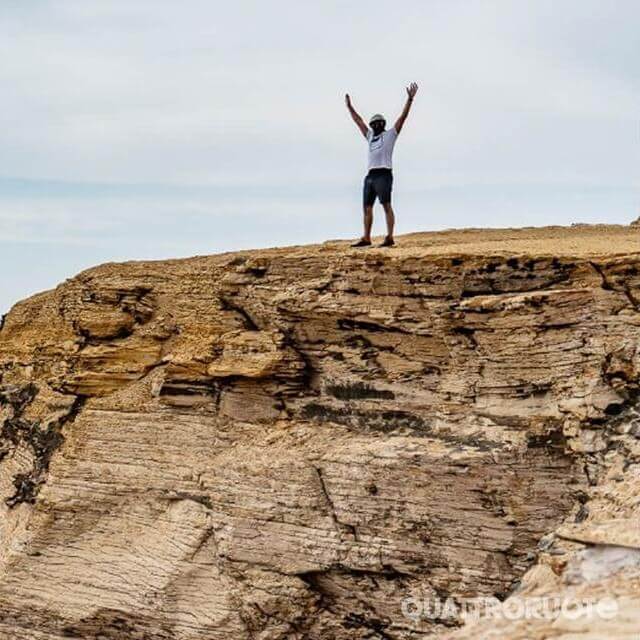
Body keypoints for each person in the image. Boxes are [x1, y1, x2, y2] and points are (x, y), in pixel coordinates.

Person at [345, 82, 418, 247]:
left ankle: (390, 237)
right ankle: (366, 237)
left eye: (379, 123)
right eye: (374, 123)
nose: (376, 125)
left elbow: (402, 117)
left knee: (386, 204)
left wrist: (410, 100)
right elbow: (359, 121)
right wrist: (350, 107)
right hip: (370, 175)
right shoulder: (370, 136)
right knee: (367, 207)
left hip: (384, 174)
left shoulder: (390, 135)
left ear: (383, 124)